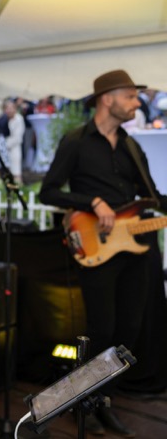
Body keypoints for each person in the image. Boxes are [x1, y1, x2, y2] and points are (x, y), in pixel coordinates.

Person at [39, 69, 166, 437]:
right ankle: (83, 403)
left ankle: (101, 400)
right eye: (130, 96)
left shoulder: (131, 146)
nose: (137, 103)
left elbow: (151, 196)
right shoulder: (76, 142)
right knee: (102, 329)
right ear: (107, 99)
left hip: (134, 249)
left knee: (129, 330)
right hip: (95, 246)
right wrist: (92, 202)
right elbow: (48, 192)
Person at [3, 98, 25, 184]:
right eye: (7, 108)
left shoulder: (19, 119)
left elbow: (18, 137)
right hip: (5, 149)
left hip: (14, 148)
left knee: (16, 171)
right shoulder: (4, 119)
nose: (8, 110)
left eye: (10, 108)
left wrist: (4, 144)